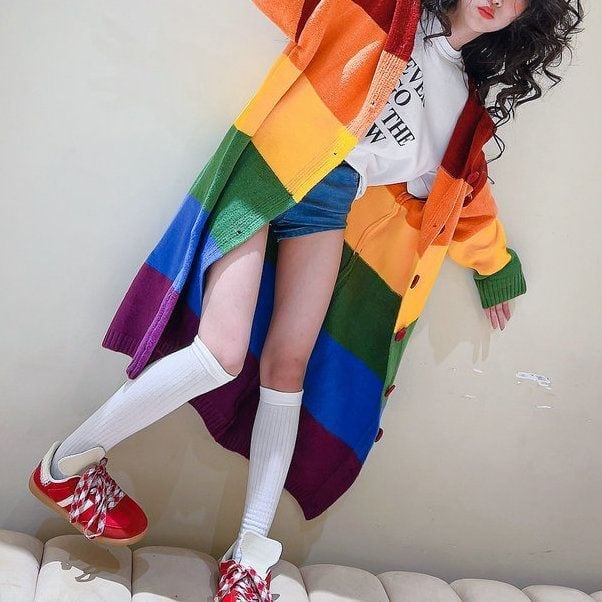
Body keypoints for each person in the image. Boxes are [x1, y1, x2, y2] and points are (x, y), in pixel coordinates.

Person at [29, 1, 584, 600]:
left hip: (331, 204)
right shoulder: (387, 10)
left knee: (288, 367)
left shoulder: (464, 116)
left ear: (528, 18)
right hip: (274, 164)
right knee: (220, 354)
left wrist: (496, 268)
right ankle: (67, 464)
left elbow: (466, 205)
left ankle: (248, 555)